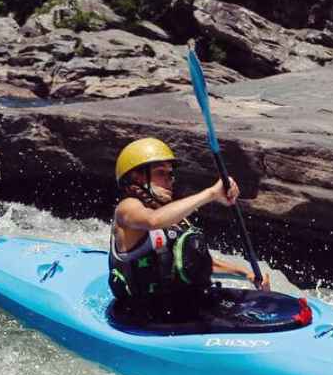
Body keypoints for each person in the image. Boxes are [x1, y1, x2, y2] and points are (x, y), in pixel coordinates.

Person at [108, 137, 267, 321]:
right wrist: (211, 194)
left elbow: (190, 262)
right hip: (143, 315)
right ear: (137, 177)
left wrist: (246, 274)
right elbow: (153, 221)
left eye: (170, 174)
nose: (169, 180)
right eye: (161, 173)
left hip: (181, 306)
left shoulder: (173, 216)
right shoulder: (127, 208)